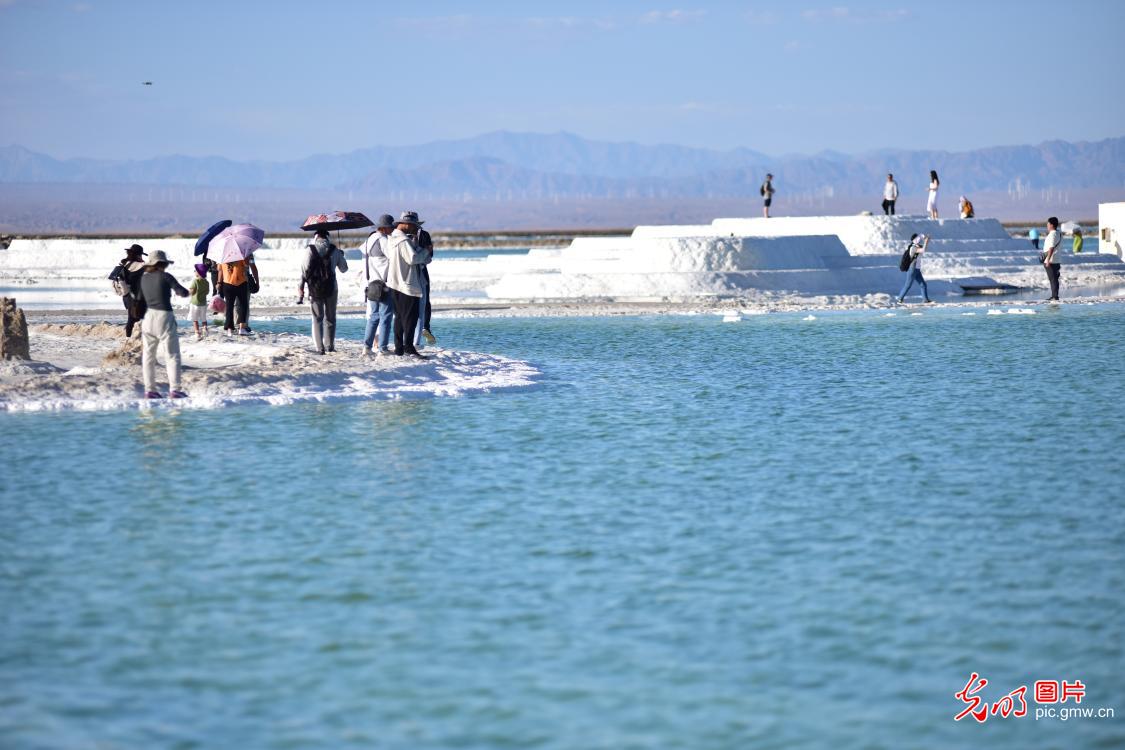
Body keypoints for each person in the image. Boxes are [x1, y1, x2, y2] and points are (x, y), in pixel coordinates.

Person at [138, 249, 190, 399]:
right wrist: (189, 292)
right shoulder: (166, 277)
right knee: (172, 355)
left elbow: (140, 299)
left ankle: (150, 390)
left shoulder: (144, 278)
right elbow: (182, 292)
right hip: (164, 316)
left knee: (148, 356)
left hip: (148, 318)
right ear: (163, 264)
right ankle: (175, 389)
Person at [385, 211, 430, 358]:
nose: (415, 229)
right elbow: (413, 258)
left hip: (395, 283)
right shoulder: (403, 241)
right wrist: (426, 251)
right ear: (406, 224)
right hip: (406, 284)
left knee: (399, 317)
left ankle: (399, 348)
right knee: (410, 317)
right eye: (414, 226)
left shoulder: (391, 239)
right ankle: (408, 347)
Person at [297, 229, 348, 354]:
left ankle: (320, 348)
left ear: (316, 237)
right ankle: (330, 346)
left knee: (317, 318)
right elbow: (344, 269)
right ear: (327, 237)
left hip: (314, 288)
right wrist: (341, 255)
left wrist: (301, 287)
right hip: (332, 288)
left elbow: (304, 271)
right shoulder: (334, 250)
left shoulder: (309, 250)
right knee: (330, 318)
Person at [361, 214, 396, 356]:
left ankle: (367, 347)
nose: (392, 230)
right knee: (386, 316)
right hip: (383, 285)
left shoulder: (369, 240)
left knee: (374, 316)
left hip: (370, 285)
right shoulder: (383, 240)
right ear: (384, 228)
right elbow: (393, 258)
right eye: (390, 227)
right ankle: (383, 348)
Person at [219, 254, 258, 336]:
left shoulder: (223, 254)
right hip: (242, 282)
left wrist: (219, 282)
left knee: (231, 306)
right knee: (243, 305)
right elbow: (249, 265)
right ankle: (242, 327)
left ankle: (230, 329)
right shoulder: (245, 253)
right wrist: (257, 282)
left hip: (227, 283)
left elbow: (220, 270)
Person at [412, 219, 437, 349]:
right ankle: (424, 327)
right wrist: (423, 252)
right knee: (423, 302)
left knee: (423, 301)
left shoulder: (423, 235)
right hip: (417, 270)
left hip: (417, 271)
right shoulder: (423, 235)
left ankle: (424, 327)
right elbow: (429, 253)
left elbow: (430, 254)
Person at [115, 244, 148, 337]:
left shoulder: (124, 264)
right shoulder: (140, 265)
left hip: (126, 294)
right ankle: (131, 338)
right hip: (136, 295)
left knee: (132, 318)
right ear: (138, 255)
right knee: (137, 317)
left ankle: (129, 338)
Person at [897, 233, 933, 304]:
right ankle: (899, 299)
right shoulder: (913, 247)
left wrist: (926, 240)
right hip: (912, 269)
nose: (919, 240)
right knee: (908, 285)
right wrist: (925, 240)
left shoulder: (917, 246)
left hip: (917, 269)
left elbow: (924, 248)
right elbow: (923, 250)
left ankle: (925, 300)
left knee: (923, 284)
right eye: (917, 239)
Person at [187, 263, 210, 340]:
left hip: (195, 303)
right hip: (203, 303)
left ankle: (197, 333)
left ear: (198, 273)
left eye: (195, 270)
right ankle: (205, 329)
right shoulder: (207, 282)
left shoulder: (195, 281)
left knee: (195, 319)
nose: (194, 271)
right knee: (203, 318)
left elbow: (192, 291)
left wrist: (188, 292)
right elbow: (207, 292)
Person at [1043, 216, 1062, 302]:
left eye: (1048, 224)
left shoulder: (1053, 234)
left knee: (1053, 279)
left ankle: (1055, 296)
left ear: (1051, 225)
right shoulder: (1058, 233)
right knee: (1054, 278)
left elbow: (1051, 248)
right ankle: (1054, 295)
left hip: (1051, 260)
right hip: (1056, 259)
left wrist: (1047, 260)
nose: (1047, 225)